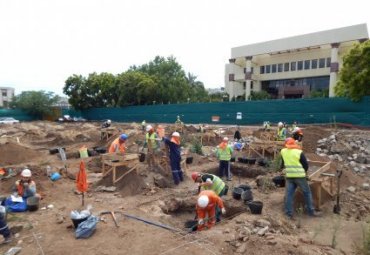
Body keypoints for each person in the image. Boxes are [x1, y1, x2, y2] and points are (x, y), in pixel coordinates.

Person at [281, 138, 317, 219]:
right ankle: (310, 212)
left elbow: (283, 164)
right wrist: (304, 173)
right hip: (300, 176)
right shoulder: (299, 152)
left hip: (289, 176)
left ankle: (288, 213)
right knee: (307, 193)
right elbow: (305, 165)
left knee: (289, 194)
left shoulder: (283, 151)